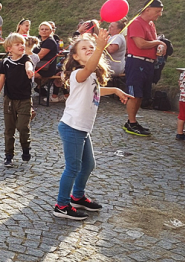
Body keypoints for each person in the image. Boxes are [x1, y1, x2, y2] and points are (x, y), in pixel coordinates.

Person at [54, 31, 130, 220]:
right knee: (73, 167)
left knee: (88, 164)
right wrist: (99, 48)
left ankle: (77, 197)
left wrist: (115, 90)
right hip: (72, 127)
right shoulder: (78, 73)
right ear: (75, 56)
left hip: (82, 128)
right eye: (84, 48)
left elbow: (95, 90)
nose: (89, 50)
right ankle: (61, 205)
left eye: (91, 47)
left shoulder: (90, 76)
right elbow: (88, 69)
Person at [123, 0, 166, 136]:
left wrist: (158, 46)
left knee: (140, 95)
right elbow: (140, 44)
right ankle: (131, 122)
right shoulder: (136, 23)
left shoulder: (151, 24)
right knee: (134, 94)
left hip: (148, 62)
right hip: (136, 62)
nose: (159, 14)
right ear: (147, 9)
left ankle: (133, 121)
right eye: (157, 11)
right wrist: (158, 42)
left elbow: (150, 42)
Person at [0, 33, 35, 168]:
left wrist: (29, 70)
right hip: (9, 100)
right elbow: (1, 79)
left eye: (22, 43)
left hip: (25, 100)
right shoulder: (5, 62)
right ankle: (8, 155)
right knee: (9, 129)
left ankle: (26, 147)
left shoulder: (26, 59)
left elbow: (29, 65)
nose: (21, 46)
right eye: (17, 44)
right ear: (9, 49)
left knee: (23, 127)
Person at [33, 22, 60, 100]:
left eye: (46, 29)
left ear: (51, 31)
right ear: (39, 31)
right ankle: (39, 87)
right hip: (39, 65)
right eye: (42, 29)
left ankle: (23, 93)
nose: (44, 31)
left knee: (24, 71)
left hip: (46, 68)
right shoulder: (39, 40)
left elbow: (39, 56)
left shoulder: (50, 42)